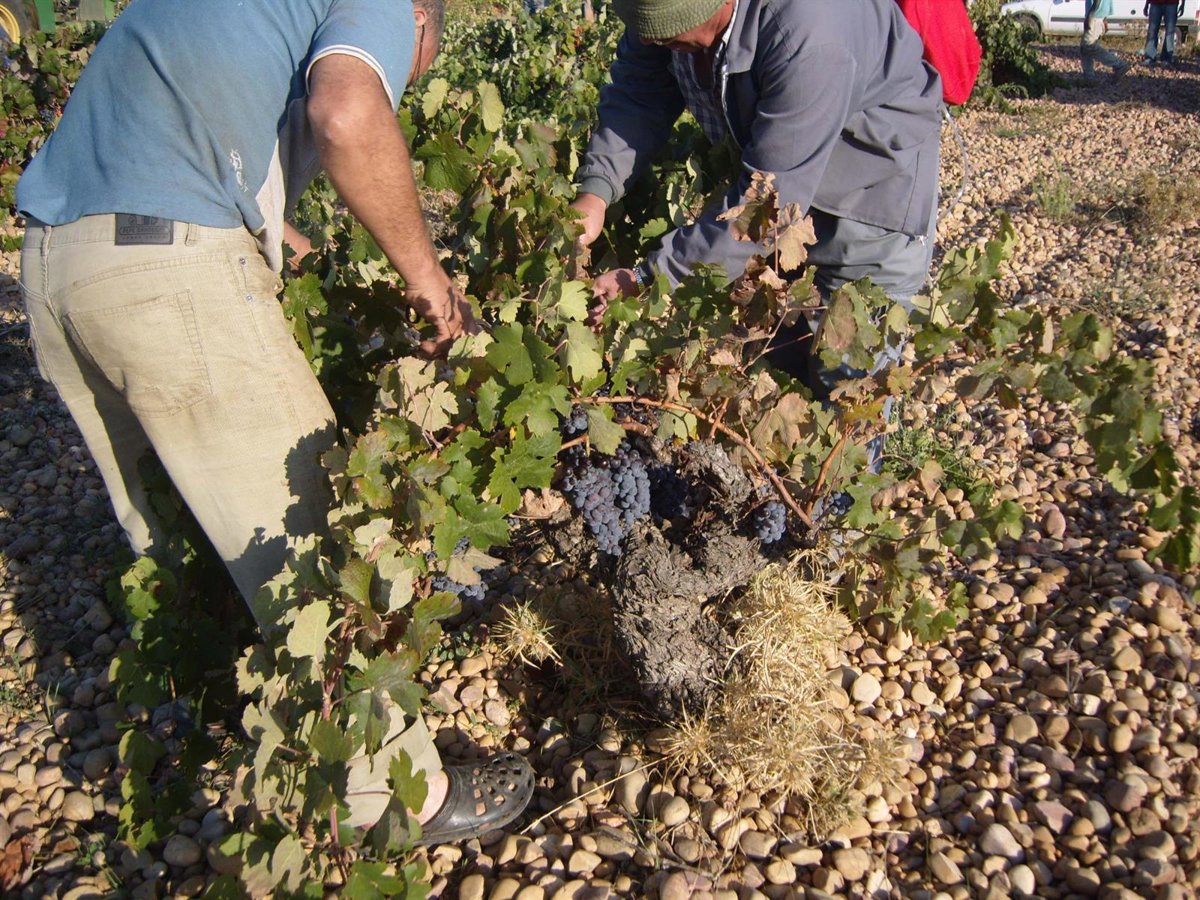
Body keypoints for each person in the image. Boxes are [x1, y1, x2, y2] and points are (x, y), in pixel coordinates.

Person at [16, 0, 532, 843]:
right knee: (320, 553)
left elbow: (192, 162)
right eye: (409, 69)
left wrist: (312, 267)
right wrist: (432, 289)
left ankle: (244, 717)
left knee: (184, 533)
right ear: (420, 23)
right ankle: (395, 803)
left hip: (56, 268)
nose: (398, 78)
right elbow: (347, 114)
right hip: (166, 274)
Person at [571, 0, 942, 408]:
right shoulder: (662, 13)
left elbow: (765, 207)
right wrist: (596, 191)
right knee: (773, 382)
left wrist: (649, 277)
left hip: (866, 213)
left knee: (845, 402)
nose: (646, 39)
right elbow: (640, 94)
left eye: (661, 29)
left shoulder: (811, 32)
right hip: (782, 200)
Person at [1082, 0, 1133, 80]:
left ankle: (1119, 65)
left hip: (1095, 15)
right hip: (1099, 14)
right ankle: (1089, 77)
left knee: (1088, 45)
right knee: (1085, 49)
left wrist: (1090, 16)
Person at [1144, 0, 1184, 66]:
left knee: (1170, 31)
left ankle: (1167, 59)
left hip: (1172, 3)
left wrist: (1183, 4)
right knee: (1152, 30)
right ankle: (1149, 57)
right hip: (1155, 3)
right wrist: (1146, 4)